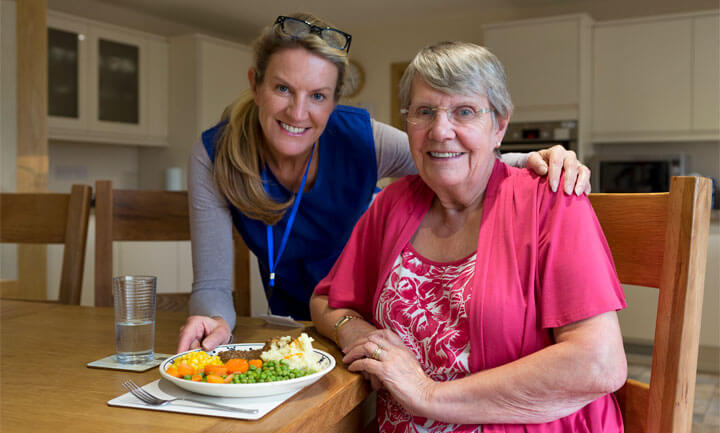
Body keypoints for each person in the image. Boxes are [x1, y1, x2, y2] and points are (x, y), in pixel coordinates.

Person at [177, 13, 592, 353]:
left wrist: (536, 159)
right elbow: (212, 284)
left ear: (335, 101)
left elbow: (444, 157)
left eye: (318, 96)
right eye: (283, 88)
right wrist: (213, 322)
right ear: (256, 84)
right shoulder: (215, 154)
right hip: (299, 329)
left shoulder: (362, 139)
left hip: (369, 322)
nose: (298, 111)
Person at [311, 41, 626, 432]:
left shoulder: (550, 200)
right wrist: (358, 332)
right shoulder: (392, 203)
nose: (440, 131)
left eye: (465, 111)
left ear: (499, 125)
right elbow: (326, 300)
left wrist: (426, 395)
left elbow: (599, 363)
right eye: (424, 112)